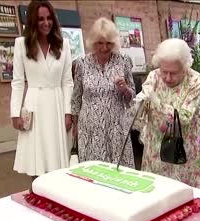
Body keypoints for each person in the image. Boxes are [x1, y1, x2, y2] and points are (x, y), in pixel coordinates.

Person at [10, 0, 74, 188]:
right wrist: (15, 114)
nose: (46, 23)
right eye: (40, 19)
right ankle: (38, 195)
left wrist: (68, 112)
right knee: (37, 160)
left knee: (59, 160)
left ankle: (59, 199)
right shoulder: (21, 45)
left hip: (56, 104)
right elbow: (18, 82)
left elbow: (67, 81)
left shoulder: (64, 45)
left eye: (49, 18)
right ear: (32, 21)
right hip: (34, 105)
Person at [135, 38, 200, 187]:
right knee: (155, 194)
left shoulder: (195, 81)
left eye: (173, 73)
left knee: (182, 198)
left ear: (185, 67)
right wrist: (139, 103)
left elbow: (184, 117)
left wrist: (157, 103)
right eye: (164, 71)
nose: (167, 78)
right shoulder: (154, 76)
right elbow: (140, 111)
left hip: (181, 151)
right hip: (155, 149)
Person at [71, 18, 136, 168]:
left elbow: (132, 96)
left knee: (119, 172)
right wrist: (75, 125)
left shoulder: (123, 60)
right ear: (93, 42)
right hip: (90, 128)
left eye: (109, 43)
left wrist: (125, 89)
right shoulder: (81, 63)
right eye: (100, 43)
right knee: (94, 171)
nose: (105, 48)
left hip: (116, 127)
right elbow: (76, 97)